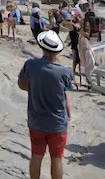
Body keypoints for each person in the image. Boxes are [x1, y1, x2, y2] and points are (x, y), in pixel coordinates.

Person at [18, 30, 72, 179]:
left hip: (36, 121)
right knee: (57, 158)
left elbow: (21, 84)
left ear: (42, 47)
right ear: (58, 51)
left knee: (36, 155)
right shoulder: (65, 72)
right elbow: (64, 91)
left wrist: (35, 87)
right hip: (57, 123)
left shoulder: (30, 65)